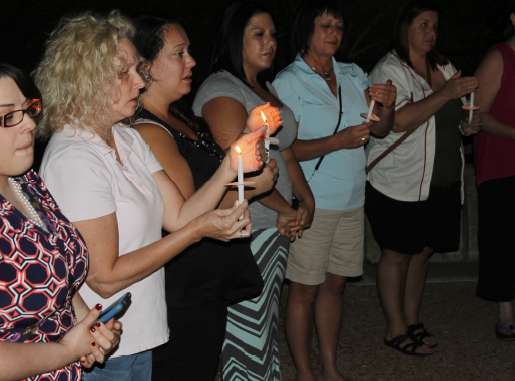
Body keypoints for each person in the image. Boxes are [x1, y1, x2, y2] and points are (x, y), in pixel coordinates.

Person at [34, 11, 268, 381]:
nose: (139, 83)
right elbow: (104, 277)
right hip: (101, 347)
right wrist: (197, 233)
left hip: (142, 335)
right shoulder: (74, 157)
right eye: (124, 73)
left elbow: (179, 215)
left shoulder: (126, 138)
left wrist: (231, 165)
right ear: (87, 80)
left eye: (137, 71)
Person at [0, 57, 121, 381]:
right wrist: (67, 350)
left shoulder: (25, 181)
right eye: (8, 117)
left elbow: (57, 275)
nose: (30, 124)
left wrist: (89, 331)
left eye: (28, 108)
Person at [131, 16, 282, 380]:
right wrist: (255, 188)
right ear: (146, 66)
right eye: (179, 54)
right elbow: (188, 210)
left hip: (205, 281)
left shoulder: (180, 116)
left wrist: (252, 139)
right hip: (183, 289)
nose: (192, 62)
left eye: (190, 52)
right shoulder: (150, 130)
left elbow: (219, 177)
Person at [273, 0, 396, 379]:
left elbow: (378, 128)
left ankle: (329, 367)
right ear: (306, 30)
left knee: (335, 286)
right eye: (326, 26)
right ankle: (305, 373)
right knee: (305, 289)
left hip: (352, 197)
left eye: (339, 27)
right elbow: (281, 148)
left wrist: (387, 105)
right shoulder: (287, 82)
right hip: (312, 200)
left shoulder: (353, 73)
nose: (334, 34)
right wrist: (336, 141)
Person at [193, 3, 315, 380]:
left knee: (263, 321)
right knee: (247, 327)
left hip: (271, 223)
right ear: (235, 38)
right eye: (259, 34)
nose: (271, 42)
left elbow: (285, 152)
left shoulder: (264, 87)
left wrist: (305, 198)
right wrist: (285, 209)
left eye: (273, 34)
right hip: (245, 226)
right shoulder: (221, 89)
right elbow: (240, 165)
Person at [365, 0, 481, 357]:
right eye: (424, 24)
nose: (431, 33)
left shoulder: (444, 66)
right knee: (397, 253)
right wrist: (445, 93)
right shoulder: (389, 69)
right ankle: (394, 328)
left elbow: (451, 115)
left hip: (442, 179)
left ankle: (413, 319)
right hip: (399, 181)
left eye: (434, 26)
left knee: (423, 251)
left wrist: (467, 125)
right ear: (406, 27)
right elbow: (396, 121)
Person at [473, 1, 515, 341]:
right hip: (502, 165)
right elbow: (478, 115)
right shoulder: (499, 56)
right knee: (503, 240)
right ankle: (506, 309)